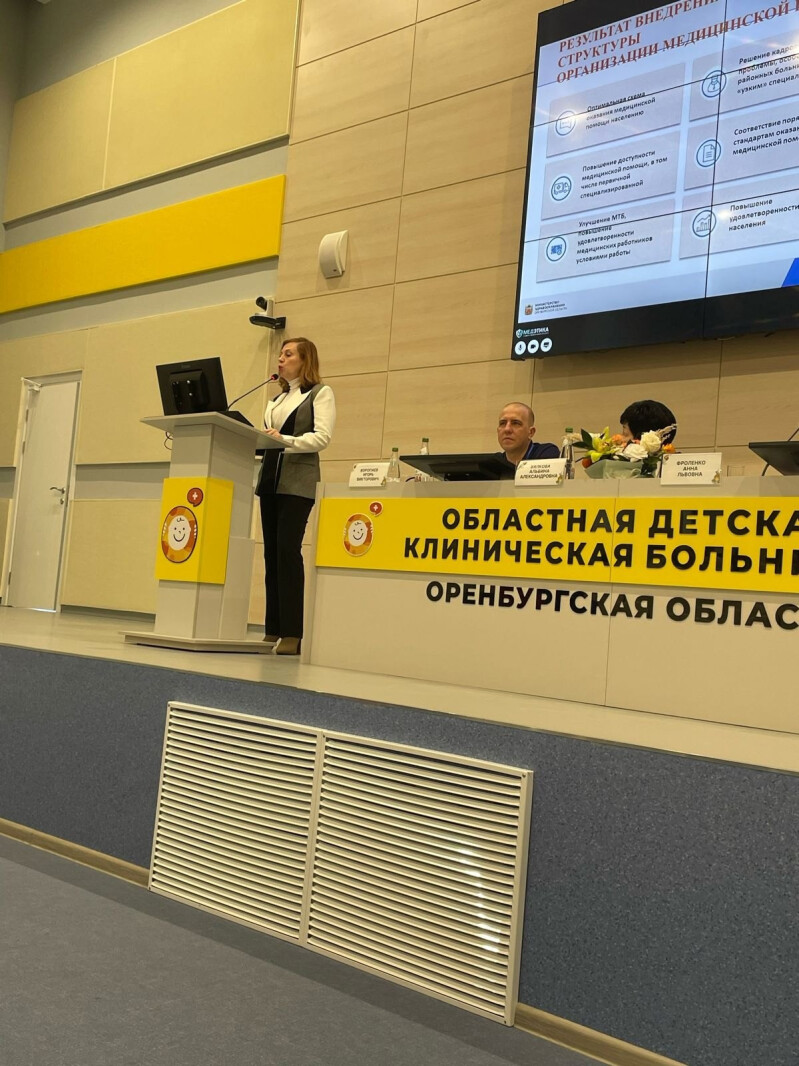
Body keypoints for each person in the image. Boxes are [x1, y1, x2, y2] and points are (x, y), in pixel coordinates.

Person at [255, 337, 336, 655]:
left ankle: (293, 632)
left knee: (288, 552)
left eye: (288, 354)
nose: (280, 359)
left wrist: (284, 440)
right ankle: (273, 628)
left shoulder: (320, 393)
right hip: (270, 481)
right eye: (280, 354)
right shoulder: (275, 401)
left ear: (305, 360)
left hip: (298, 484)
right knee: (271, 555)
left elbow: (321, 438)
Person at [496, 402, 559, 469]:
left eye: (515, 423)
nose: (507, 429)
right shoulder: (493, 464)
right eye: (502, 423)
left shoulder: (546, 453)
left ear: (531, 432)